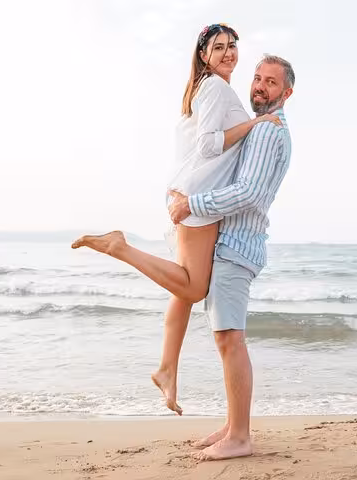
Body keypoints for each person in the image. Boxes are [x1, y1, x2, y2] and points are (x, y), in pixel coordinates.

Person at [71, 24, 280, 415]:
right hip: (196, 202)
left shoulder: (202, 87)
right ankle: (120, 247)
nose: (229, 53)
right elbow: (207, 144)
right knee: (192, 288)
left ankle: (168, 368)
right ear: (203, 54)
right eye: (218, 48)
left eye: (232, 46)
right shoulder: (216, 88)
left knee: (179, 291)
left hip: (186, 193)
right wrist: (254, 124)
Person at [167, 54, 295, 461]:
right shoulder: (258, 128)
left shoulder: (268, 133)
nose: (260, 86)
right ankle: (233, 424)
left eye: (271, 83)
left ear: (287, 92)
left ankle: (240, 436)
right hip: (233, 243)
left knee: (230, 338)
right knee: (227, 337)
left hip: (237, 246)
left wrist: (193, 204)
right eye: (257, 78)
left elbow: (249, 192)